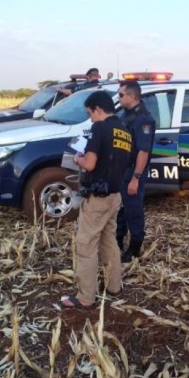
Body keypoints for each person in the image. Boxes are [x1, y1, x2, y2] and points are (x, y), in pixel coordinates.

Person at [61, 91, 133, 309]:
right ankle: (114, 286)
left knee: (86, 245)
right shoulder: (124, 131)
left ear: (98, 109)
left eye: (90, 113)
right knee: (109, 241)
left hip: (98, 198)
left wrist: (77, 158)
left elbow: (90, 164)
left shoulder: (99, 127)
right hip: (115, 196)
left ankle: (85, 297)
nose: (90, 118)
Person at [116, 80, 156, 263]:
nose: (119, 97)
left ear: (132, 96)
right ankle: (117, 243)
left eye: (121, 94)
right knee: (120, 211)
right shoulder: (125, 115)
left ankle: (134, 248)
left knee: (133, 211)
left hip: (132, 172)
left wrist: (136, 178)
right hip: (121, 170)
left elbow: (143, 151)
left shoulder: (143, 119)